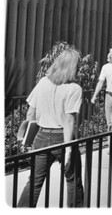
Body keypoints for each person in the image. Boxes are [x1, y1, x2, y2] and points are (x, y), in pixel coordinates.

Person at [18, 47, 84, 207]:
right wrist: (68, 150)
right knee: (73, 179)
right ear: (73, 67)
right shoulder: (74, 88)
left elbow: (30, 114)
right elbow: (69, 121)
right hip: (62, 138)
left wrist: (25, 140)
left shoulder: (43, 82)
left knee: (34, 182)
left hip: (41, 136)